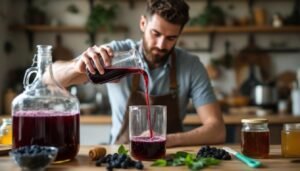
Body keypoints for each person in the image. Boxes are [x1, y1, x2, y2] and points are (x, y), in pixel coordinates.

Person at [49, 0, 225, 147]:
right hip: (121, 153)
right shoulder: (116, 54)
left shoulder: (190, 65)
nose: (161, 45)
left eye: (171, 38)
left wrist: (166, 139)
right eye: (155, 33)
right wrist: (76, 66)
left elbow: (217, 130)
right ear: (143, 23)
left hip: (170, 156)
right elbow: (49, 79)